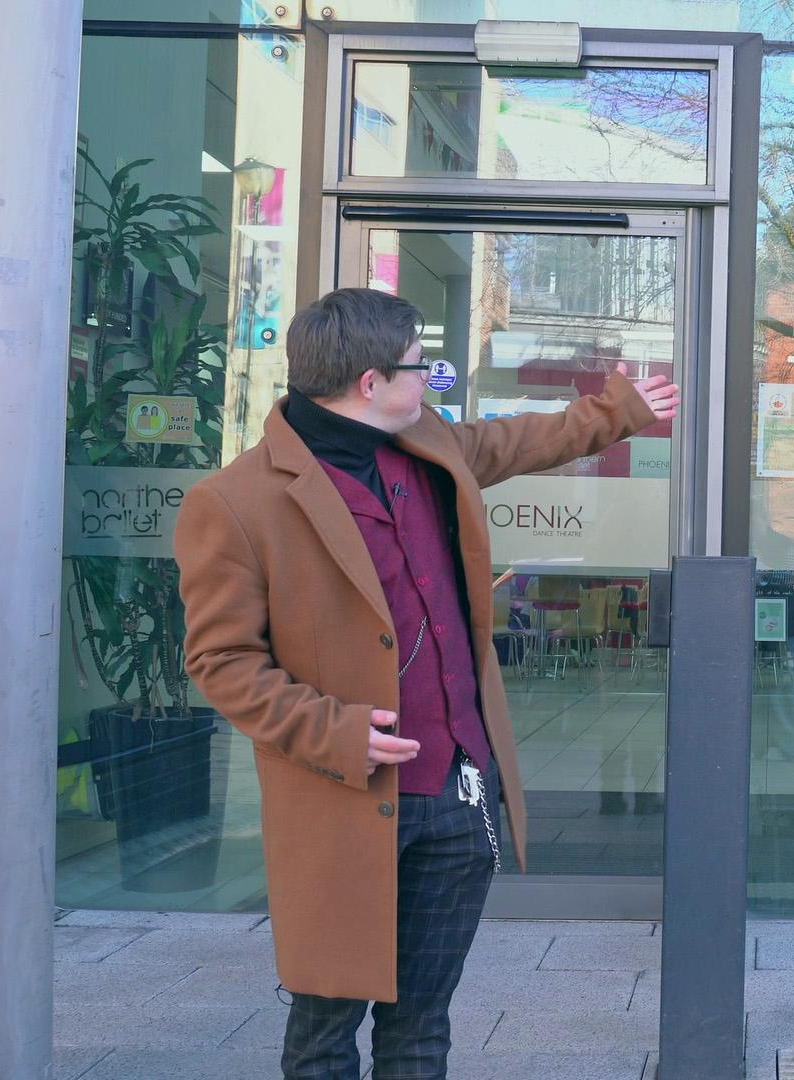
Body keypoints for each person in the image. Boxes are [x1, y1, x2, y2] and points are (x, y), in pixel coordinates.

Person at [173, 287, 679, 1079]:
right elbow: (222, 662)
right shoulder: (235, 503)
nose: (434, 382)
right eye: (424, 367)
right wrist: (334, 730)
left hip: (455, 792)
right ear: (370, 383)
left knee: (421, 1026)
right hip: (341, 799)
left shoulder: (424, 441)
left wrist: (619, 409)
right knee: (323, 1033)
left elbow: (513, 442)